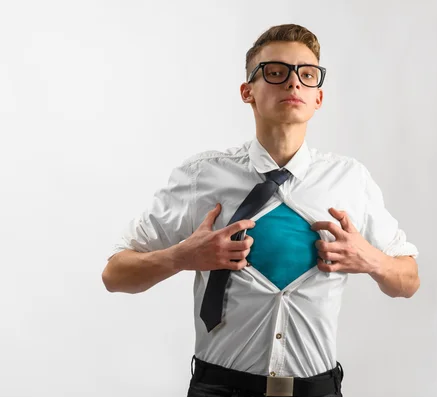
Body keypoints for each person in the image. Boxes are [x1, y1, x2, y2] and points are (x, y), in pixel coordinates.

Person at [102, 23, 420, 397]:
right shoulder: (200, 176)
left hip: (317, 390)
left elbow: (409, 280)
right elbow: (115, 274)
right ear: (247, 91)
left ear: (319, 97)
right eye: (275, 72)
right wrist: (183, 256)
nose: (293, 82)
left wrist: (371, 260)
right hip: (219, 388)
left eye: (307, 74)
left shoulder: (351, 180)